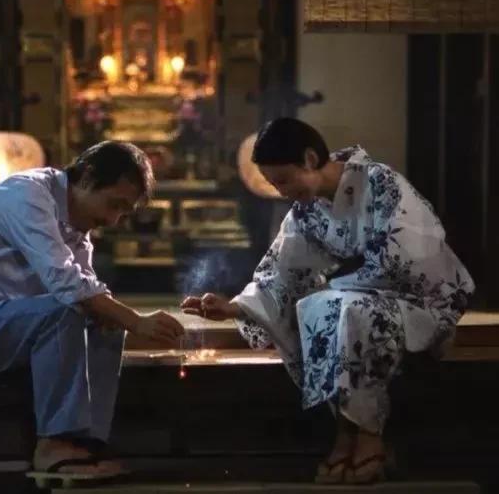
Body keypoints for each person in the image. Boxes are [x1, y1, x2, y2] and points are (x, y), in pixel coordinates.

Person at [182, 118, 474, 484]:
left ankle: (370, 437)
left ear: (309, 159)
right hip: (355, 297)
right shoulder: (307, 210)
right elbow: (281, 272)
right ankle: (345, 432)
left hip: (423, 298)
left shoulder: (380, 183)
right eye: (275, 185)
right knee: (314, 308)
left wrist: (341, 285)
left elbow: (413, 258)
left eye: (285, 180)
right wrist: (235, 307)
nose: (282, 192)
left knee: (349, 310)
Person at [0, 140, 186, 480]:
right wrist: (137, 321)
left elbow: (88, 289)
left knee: (104, 318)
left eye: (123, 213)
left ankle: (86, 442)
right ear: (87, 177)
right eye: (113, 204)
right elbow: (67, 284)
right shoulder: (28, 196)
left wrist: (123, 319)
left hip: (2, 324)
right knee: (67, 309)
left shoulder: (77, 225)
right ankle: (54, 444)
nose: (112, 219)